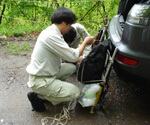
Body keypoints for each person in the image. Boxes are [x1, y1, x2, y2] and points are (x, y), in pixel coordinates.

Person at [26, 7, 95, 112]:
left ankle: (53, 90)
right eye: (69, 25)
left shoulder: (52, 32)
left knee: (71, 67)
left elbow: (68, 55)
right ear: (64, 23)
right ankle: (40, 96)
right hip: (40, 80)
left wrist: (82, 58)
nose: (70, 28)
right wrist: (85, 42)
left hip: (47, 72)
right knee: (75, 93)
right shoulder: (51, 36)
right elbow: (73, 56)